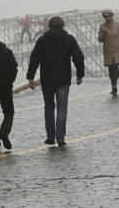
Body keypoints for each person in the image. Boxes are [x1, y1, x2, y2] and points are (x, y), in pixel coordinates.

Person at [27, 16, 85, 147]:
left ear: (49, 25)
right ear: (63, 25)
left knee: (48, 107)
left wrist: (30, 76)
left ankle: (50, 137)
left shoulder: (42, 40)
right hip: (63, 79)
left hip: (47, 79)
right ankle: (60, 138)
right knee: (62, 108)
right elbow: (79, 57)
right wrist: (80, 74)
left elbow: (34, 58)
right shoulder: (69, 39)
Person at [97, 10, 119, 95]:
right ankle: (114, 86)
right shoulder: (102, 26)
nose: (107, 18)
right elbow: (99, 40)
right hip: (108, 51)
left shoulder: (118, 25)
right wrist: (103, 36)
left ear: (111, 16)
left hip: (118, 49)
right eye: (105, 16)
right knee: (112, 69)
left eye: (108, 16)